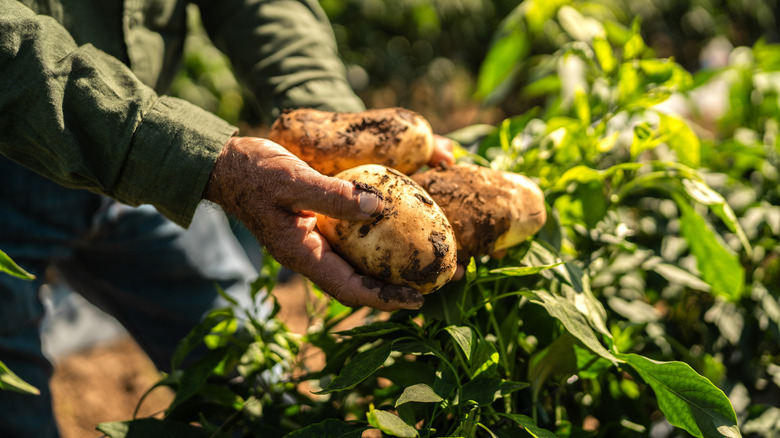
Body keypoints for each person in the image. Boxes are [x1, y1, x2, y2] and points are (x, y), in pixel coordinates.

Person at [0, 0, 454, 436]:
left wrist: (334, 126)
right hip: (55, 154)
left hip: (145, 162)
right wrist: (207, 162)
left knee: (250, 372)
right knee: (14, 410)